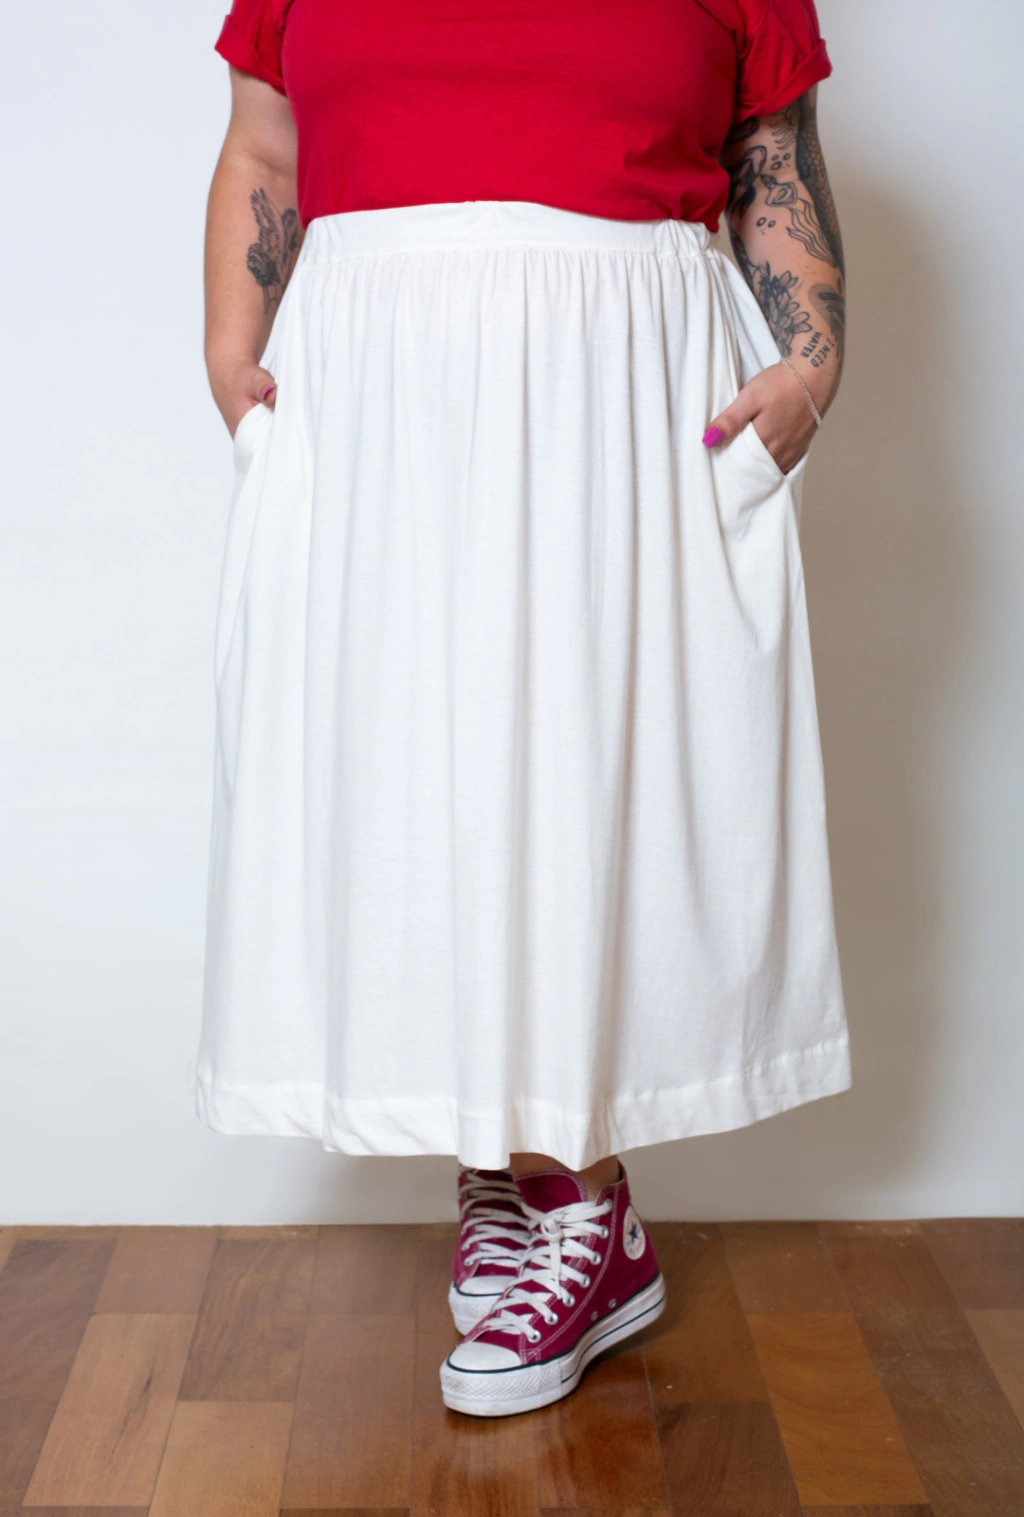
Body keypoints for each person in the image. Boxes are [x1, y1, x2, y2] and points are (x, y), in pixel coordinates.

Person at [197, 0, 852, 1418]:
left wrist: (811, 363)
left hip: (617, 393)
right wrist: (233, 368)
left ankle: (584, 1206)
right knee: (413, 779)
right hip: (379, 402)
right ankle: (509, 1166)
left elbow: (774, 155)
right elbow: (265, 144)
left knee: (581, 775)